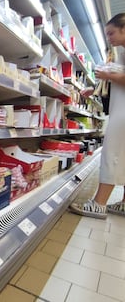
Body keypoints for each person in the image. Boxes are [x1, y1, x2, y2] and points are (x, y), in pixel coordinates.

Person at [70, 13, 125, 219]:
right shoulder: (121, 54)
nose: (109, 38)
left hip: (123, 116)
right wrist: (94, 89)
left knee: (112, 153)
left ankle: (99, 204)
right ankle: (124, 203)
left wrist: (107, 75)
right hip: (121, 111)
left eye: (111, 33)